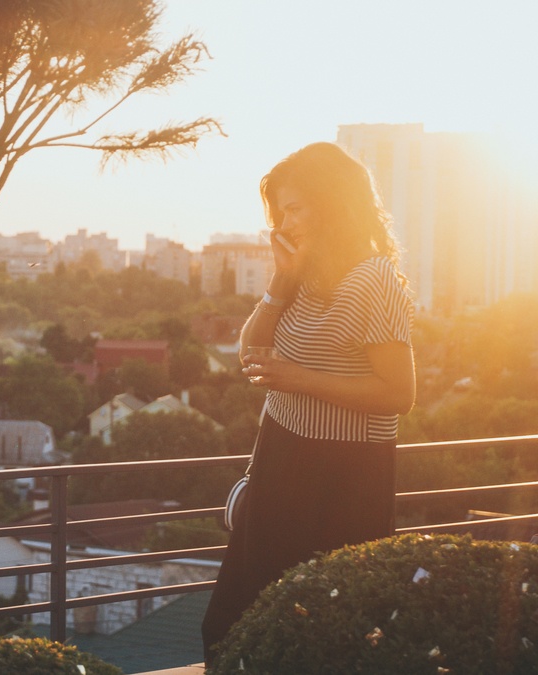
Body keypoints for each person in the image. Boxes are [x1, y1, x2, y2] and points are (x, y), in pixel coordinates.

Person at [201, 142, 416, 665]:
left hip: (341, 474)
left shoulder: (373, 277)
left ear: (332, 202)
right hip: (280, 454)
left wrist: (298, 377)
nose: (287, 221)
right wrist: (281, 280)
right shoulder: (304, 274)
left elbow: (398, 394)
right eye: (281, 212)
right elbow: (251, 354)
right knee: (235, 614)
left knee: (318, 625)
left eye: (297, 207)